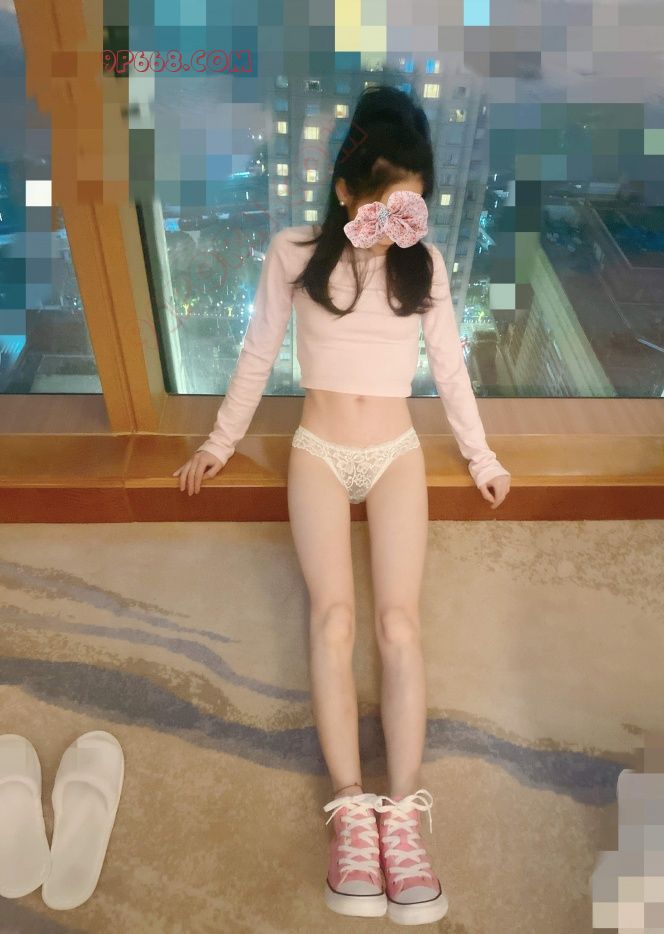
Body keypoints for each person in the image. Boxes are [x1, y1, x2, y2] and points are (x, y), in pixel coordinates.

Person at [173, 84, 511, 925]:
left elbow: (450, 367)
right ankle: (352, 812)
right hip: (320, 454)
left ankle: (403, 817)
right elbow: (257, 353)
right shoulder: (293, 253)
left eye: (411, 208)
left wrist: (481, 456)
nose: (396, 224)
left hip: (394, 454)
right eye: (383, 205)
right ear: (344, 190)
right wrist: (218, 442)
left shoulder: (425, 266)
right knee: (332, 621)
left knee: (399, 625)